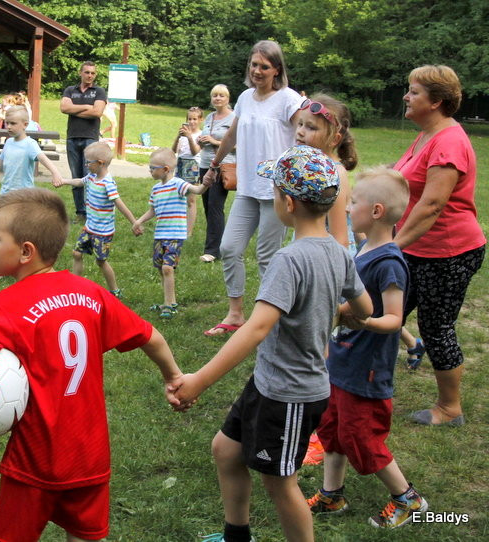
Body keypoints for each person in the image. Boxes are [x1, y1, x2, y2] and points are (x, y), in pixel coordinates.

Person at [0, 187, 187, 542]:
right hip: (89, 454)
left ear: (26, 252)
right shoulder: (90, 292)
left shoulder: (4, 306)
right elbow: (150, 336)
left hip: (35, 460)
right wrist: (174, 376)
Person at [174, 145, 372, 542]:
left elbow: (255, 329)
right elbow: (364, 307)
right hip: (269, 384)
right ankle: (237, 535)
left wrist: (199, 380)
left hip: (291, 394)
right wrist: (327, 310)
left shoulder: (289, 259)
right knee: (226, 451)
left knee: (281, 483)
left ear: (287, 202)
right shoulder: (338, 251)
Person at [306, 167, 428, 529]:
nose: (346, 208)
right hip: (343, 361)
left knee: (361, 434)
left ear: (376, 211)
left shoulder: (390, 262)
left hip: (367, 368)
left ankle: (408, 498)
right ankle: (332, 494)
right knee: (332, 428)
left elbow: (394, 319)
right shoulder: (365, 248)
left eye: (353, 202)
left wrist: (363, 322)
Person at [393, 65, 486, 426]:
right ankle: (366, 386)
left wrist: (390, 247)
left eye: (414, 92)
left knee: (437, 326)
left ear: (436, 101)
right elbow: (400, 178)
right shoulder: (427, 135)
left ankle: (450, 408)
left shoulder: (448, 141)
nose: (406, 96)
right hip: (416, 249)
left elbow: (432, 205)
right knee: (386, 317)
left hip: (448, 253)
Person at [203, 40, 304, 337]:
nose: (257, 71)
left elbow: (305, 132)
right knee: (229, 248)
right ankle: (235, 314)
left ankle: (270, 320)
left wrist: (297, 172)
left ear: (277, 70)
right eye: (254, 64)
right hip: (247, 187)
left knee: (267, 256)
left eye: (264, 66)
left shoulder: (288, 99)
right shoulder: (245, 98)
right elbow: (233, 133)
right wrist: (214, 166)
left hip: (277, 190)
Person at [132, 148, 211, 319]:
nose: (150, 171)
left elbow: (196, 191)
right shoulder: (155, 189)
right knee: (161, 268)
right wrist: (138, 221)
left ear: (166, 169)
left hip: (175, 235)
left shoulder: (178, 184)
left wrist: (205, 183)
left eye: (153, 168)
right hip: (160, 235)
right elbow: (152, 210)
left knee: (168, 268)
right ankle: (169, 301)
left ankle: (169, 306)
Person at [57, 141, 138, 298]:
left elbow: (119, 204)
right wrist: (65, 181)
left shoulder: (108, 183)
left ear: (100, 163)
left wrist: (134, 222)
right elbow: (80, 181)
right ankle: (75, 286)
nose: (86, 164)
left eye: (88, 162)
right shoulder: (92, 177)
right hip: (89, 228)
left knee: (100, 262)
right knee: (76, 253)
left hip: (103, 233)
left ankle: (114, 290)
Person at [294, 93, 358, 254]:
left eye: (311, 127)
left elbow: (340, 238)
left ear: (334, 139)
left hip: (329, 259)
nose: (300, 132)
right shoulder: (309, 167)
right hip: (307, 250)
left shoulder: (335, 173)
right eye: (300, 124)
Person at [0, 106, 62, 194]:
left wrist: (55, 173)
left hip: (23, 196)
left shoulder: (30, 144)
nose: (8, 126)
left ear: (25, 125)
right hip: (5, 193)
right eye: (7, 123)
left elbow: (43, 159)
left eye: (13, 123)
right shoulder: (8, 142)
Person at [60, 61, 107, 222]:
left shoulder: (99, 91)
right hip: (72, 138)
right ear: (81, 73)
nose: (89, 76)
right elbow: (64, 108)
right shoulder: (70, 90)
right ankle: (80, 213)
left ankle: (91, 213)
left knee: (90, 177)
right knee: (76, 177)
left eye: (93, 73)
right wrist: (87, 106)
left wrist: (75, 109)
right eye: (87, 72)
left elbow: (97, 112)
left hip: (90, 139)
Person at [198, 85, 236, 263]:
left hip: (223, 166)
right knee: (207, 205)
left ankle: (212, 251)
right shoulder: (209, 117)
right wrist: (201, 140)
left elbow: (239, 144)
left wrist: (214, 141)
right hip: (205, 164)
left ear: (228, 98)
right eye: (214, 96)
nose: (217, 98)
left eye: (221, 95)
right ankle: (217, 241)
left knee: (215, 205)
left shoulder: (234, 117)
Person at [172, 106, 203, 236]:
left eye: (195, 119)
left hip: (193, 166)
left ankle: (188, 231)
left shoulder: (201, 135)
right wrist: (178, 137)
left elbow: (195, 151)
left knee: (190, 200)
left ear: (200, 120)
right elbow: (173, 150)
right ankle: (177, 225)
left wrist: (190, 137)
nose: (192, 122)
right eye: (189, 119)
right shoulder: (183, 134)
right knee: (177, 197)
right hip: (180, 164)